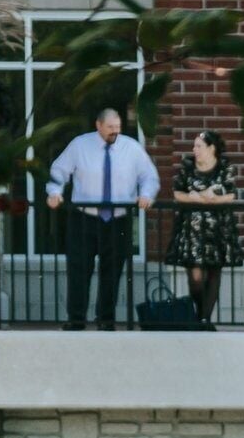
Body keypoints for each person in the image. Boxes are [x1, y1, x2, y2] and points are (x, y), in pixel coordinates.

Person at [42, 105, 160, 331]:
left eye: (117, 127)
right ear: (98, 126)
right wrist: (54, 192)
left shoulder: (131, 148)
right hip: (84, 217)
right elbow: (59, 171)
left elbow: (149, 176)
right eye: (110, 128)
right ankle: (76, 319)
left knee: (112, 271)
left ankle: (105, 319)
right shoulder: (80, 145)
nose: (114, 131)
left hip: (118, 219)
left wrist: (146, 194)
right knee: (78, 270)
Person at [164, 130, 241, 326]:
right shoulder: (187, 166)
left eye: (199, 146)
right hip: (192, 229)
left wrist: (214, 199)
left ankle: (204, 319)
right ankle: (200, 313)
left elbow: (231, 194)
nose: (195, 150)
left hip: (218, 229)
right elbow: (177, 193)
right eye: (194, 146)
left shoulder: (224, 167)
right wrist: (191, 197)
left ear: (211, 148)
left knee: (214, 273)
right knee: (196, 276)